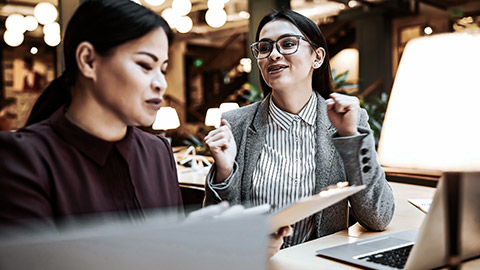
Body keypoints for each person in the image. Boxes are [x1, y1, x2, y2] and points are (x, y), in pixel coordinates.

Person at [204, 10, 395, 251]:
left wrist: (351, 138)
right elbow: (214, 227)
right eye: (264, 48)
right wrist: (224, 172)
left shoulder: (347, 119)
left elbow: (378, 218)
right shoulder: (236, 123)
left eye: (288, 44)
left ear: (317, 57)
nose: (273, 54)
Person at [0, 0, 182, 229]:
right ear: (88, 60)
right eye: (145, 65)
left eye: (163, 69)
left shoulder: (158, 153)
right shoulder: (21, 159)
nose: (161, 84)